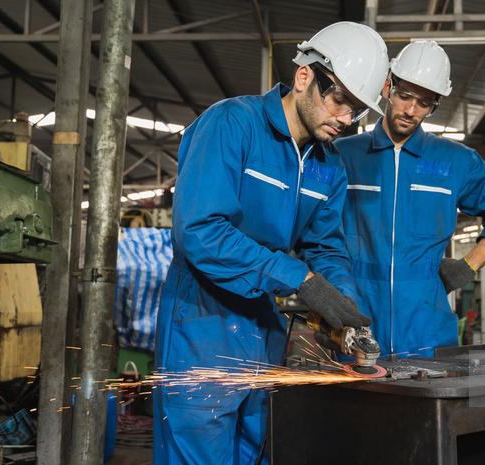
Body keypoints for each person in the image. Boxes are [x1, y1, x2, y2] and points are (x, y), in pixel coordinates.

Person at [154, 22, 389, 465]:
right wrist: (296, 278)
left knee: (262, 445)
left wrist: (347, 309)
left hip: (266, 322)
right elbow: (200, 231)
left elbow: (328, 250)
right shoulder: (232, 124)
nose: (345, 119)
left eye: (357, 111)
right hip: (203, 317)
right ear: (305, 76)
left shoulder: (329, 166)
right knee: (201, 446)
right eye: (339, 100)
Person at [336, 40, 485, 359]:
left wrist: (467, 266)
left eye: (423, 102)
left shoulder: (456, 161)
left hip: (427, 332)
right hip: (356, 323)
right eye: (404, 95)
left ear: (434, 105)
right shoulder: (344, 155)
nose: (410, 110)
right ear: (387, 87)